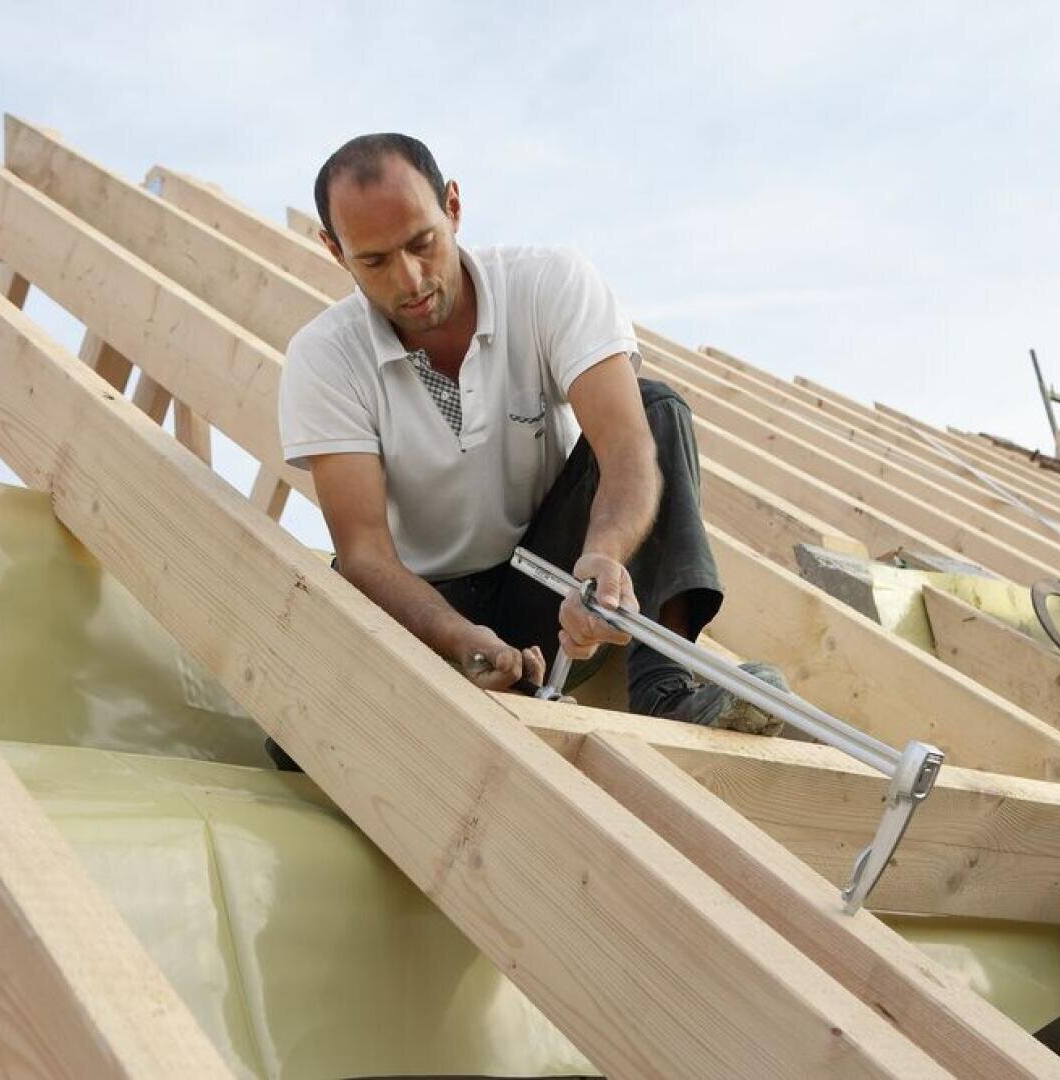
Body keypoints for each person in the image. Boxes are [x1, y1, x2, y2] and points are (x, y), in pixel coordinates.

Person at [275, 132, 785, 755]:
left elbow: (625, 444)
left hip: (546, 576)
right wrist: (463, 640)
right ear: (335, 251)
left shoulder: (547, 284)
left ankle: (666, 690)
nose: (409, 279)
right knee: (301, 725)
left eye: (422, 243)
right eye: (375, 262)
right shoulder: (324, 357)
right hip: (426, 602)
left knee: (656, 409)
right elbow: (365, 556)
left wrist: (603, 556)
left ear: (453, 206)